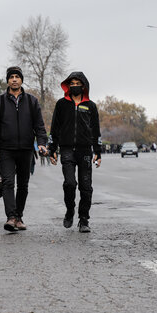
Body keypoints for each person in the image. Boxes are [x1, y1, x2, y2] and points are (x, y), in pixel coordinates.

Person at [0, 66, 47, 232]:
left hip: (26, 149)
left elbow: (39, 126)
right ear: (7, 80)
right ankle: (11, 217)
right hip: (6, 149)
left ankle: (19, 217)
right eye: (11, 77)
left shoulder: (32, 101)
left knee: (23, 185)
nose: (14, 79)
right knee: (8, 182)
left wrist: (42, 142)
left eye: (17, 77)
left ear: (21, 80)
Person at [48, 71, 102, 233]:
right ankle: (70, 209)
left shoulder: (90, 106)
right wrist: (52, 149)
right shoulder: (61, 104)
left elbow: (96, 130)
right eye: (72, 83)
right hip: (67, 150)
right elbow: (55, 127)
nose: (74, 86)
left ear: (83, 86)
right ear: (68, 86)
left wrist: (97, 152)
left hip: (85, 151)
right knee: (70, 183)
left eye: (78, 83)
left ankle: (84, 219)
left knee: (86, 187)